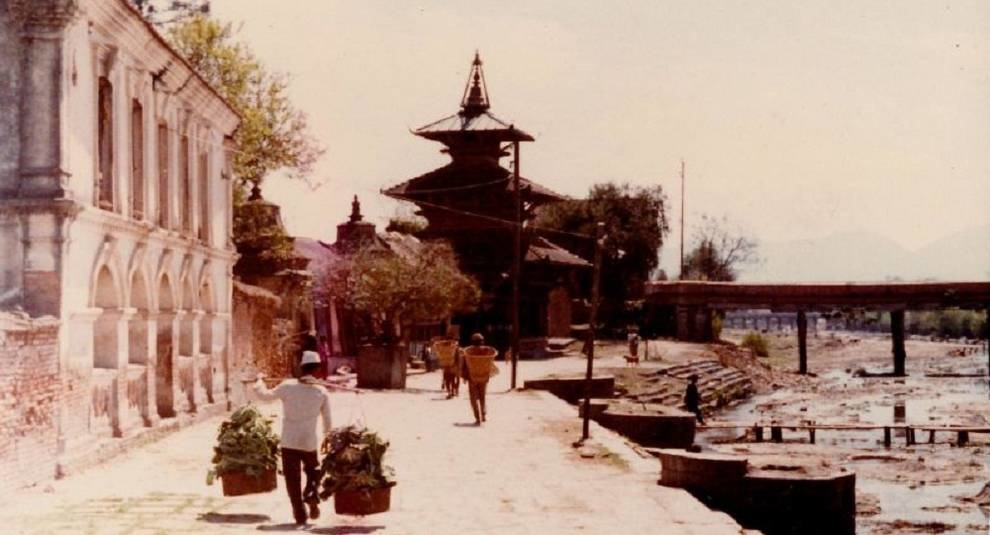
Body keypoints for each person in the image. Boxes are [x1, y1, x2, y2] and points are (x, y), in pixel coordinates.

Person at [254, 350, 332, 525]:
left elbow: (264, 396)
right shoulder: (321, 391)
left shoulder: (287, 386)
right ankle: (311, 494)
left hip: (289, 440)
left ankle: (299, 513)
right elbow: (327, 420)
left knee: (292, 479)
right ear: (318, 369)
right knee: (313, 472)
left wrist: (259, 380)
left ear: (301, 368)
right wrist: (328, 438)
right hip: (309, 441)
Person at [460, 332, 495, 425]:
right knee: (482, 397)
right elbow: (490, 361)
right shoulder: (486, 351)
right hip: (483, 378)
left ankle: (477, 418)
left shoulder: (468, 351)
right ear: (481, 341)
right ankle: (483, 414)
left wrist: (464, 377)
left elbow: (464, 366)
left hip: (472, 378)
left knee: (473, 398)